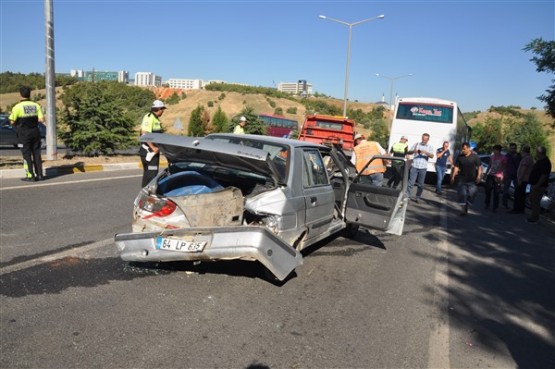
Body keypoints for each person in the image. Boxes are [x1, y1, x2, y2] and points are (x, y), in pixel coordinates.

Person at [9, 86, 45, 182]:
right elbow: (42, 119)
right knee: (37, 154)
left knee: (26, 155)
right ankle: (40, 175)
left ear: (20, 95)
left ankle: (30, 175)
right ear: (29, 94)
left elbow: (12, 121)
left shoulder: (17, 107)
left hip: (24, 133)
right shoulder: (36, 105)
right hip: (35, 131)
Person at [450, 142, 482, 215]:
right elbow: (456, 167)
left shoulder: (475, 157)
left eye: (464, 149)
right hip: (462, 179)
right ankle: (463, 210)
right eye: (462, 149)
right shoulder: (460, 157)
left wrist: (479, 176)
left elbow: (479, 167)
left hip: (472, 180)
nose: (463, 150)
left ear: (468, 148)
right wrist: (453, 177)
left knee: (472, 194)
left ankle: (466, 204)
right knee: (462, 194)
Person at [139, 99, 166, 187]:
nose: (163, 111)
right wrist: (153, 148)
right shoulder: (149, 117)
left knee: (149, 175)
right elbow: (144, 133)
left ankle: (145, 194)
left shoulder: (155, 119)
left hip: (153, 152)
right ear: (158, 109)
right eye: (162, 109)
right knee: (151, 175)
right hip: (149, 152)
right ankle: (149, 195)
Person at [526, 146, 552, 224]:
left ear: (540, 153)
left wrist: (537, 185)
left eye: (536, 152)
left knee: (535, 201)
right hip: (534, 184)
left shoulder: (545, 162)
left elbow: (544, 175)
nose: (535, 153)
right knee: (532, 200)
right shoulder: (540, 160)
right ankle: (533, 215)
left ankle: (534, 218)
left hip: (539, 186)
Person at [406, 133, 434, 202]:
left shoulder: (430, 146)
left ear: (428, 140)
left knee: (420, 184)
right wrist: (414, 151)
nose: (424, 140)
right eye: (423, 139)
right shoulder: (417, 144)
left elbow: (432, 156)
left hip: (423, 167)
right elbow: (409, 152)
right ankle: (407, 196)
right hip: (415, 166)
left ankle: (417, 197)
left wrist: (425, 152)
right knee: (410, 183)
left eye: (425, 139)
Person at [509, 144, 533, 214]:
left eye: (522, 150)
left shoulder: (526, 159)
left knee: (518, 194)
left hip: (522, 180)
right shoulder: (529, 158)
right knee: (522, 195)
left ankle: (516, 209)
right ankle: (521, 209)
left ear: (524, 151)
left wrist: (520, 179)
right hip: (525, 179)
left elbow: (523, 170)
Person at [484, 144, 507, 212]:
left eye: (495, 150)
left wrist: (503, 177)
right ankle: (487, 203)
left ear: (498, 150)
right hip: (491, 175)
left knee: (496, 192)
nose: (493, 151)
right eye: (493, 150)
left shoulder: (504, 158)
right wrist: (486, 173)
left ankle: (495, 206)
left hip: (498, 176)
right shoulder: (492, 157)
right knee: (488, 190)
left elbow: (505, 168)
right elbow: (489, 165)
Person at [501, 143, 521, 208]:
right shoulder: (507, 156)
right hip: (508, 175)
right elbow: (504, 166)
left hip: (516, 176)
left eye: (514, 148)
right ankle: (504, 204)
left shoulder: (519, 156)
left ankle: (517, 205)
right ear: (509, 148)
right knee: (505, 191)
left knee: (517, 191)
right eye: (511, 148)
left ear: (516, 148)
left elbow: (520, 165)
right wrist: (504, 175)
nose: (513, 150)